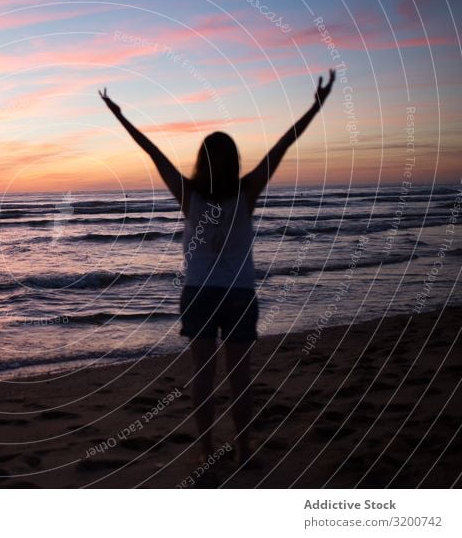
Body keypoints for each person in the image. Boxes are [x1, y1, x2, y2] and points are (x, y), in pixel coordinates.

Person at [99, 70, 335, 465]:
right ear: (234, 162)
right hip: (239, 295)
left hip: (199, 294)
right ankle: (243, 450)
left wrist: (120, 116)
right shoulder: (247, 190)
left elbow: (151, 151)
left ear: (200, 161)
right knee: (240, 380)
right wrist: (316, 105)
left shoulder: (187, 194)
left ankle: (208, 450)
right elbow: (283, 144)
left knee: (203, 375)